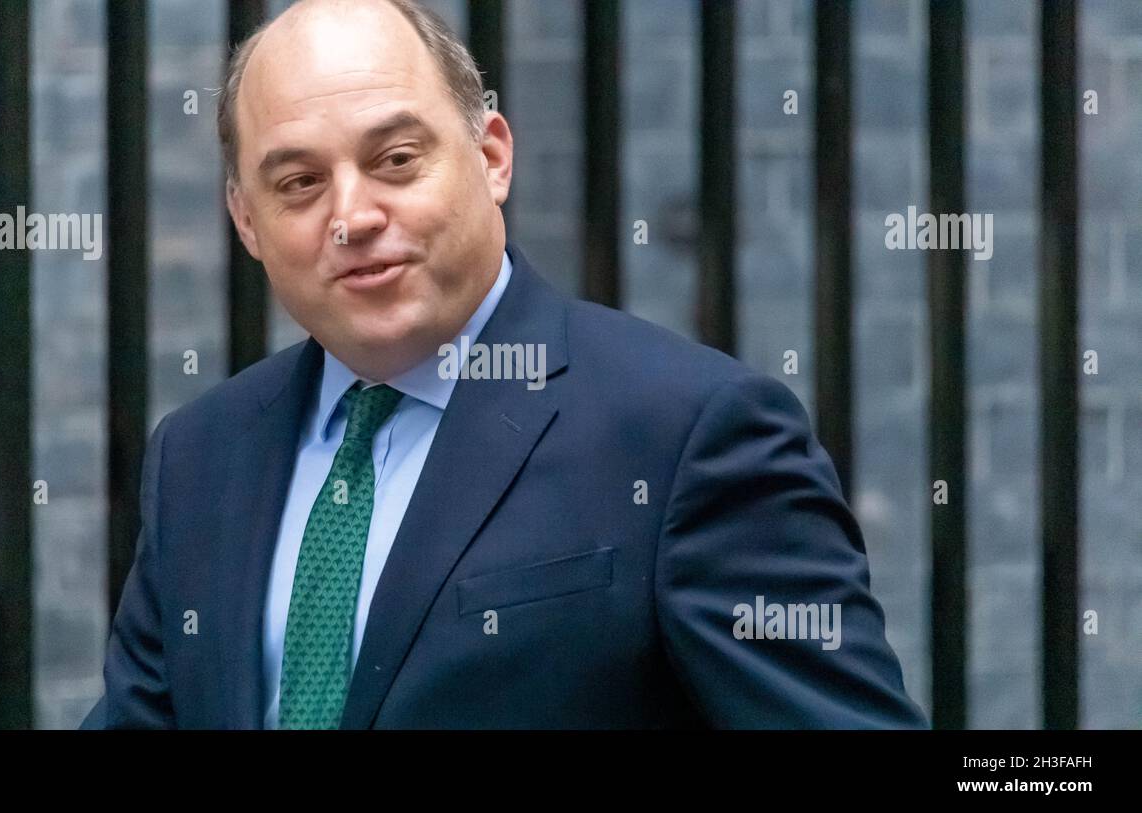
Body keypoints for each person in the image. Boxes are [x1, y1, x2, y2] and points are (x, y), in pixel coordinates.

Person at [81, 0, 927, 729]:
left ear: (491, 157)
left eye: (396, 160)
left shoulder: (685, 437)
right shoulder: (200, 455)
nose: (352, 215)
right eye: (299, 183)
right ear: (246, 221)